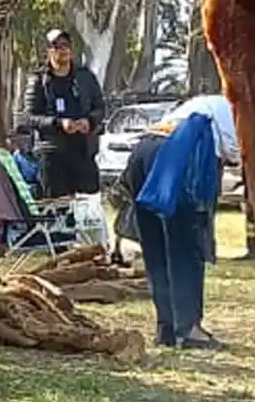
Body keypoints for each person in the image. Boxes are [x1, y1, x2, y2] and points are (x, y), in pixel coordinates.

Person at [118, 110, 223, 350]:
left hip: (143, 149)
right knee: (186, 244)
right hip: (179, 151)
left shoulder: (204, 105)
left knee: (154, 245)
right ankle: (188, 330)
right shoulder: (243, 110)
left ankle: (165, 328)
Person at [18, 29, 105, 200]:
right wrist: (58, 124)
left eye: (66, 46)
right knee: (57, 211)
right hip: (53, 156)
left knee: (88, 208)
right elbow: (28, 118)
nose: (63, 50)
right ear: (49, 50)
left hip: (83, 152)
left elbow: (100, 107)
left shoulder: (85, 76)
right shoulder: (38, 80)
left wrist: (90, 121)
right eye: (57, 46)